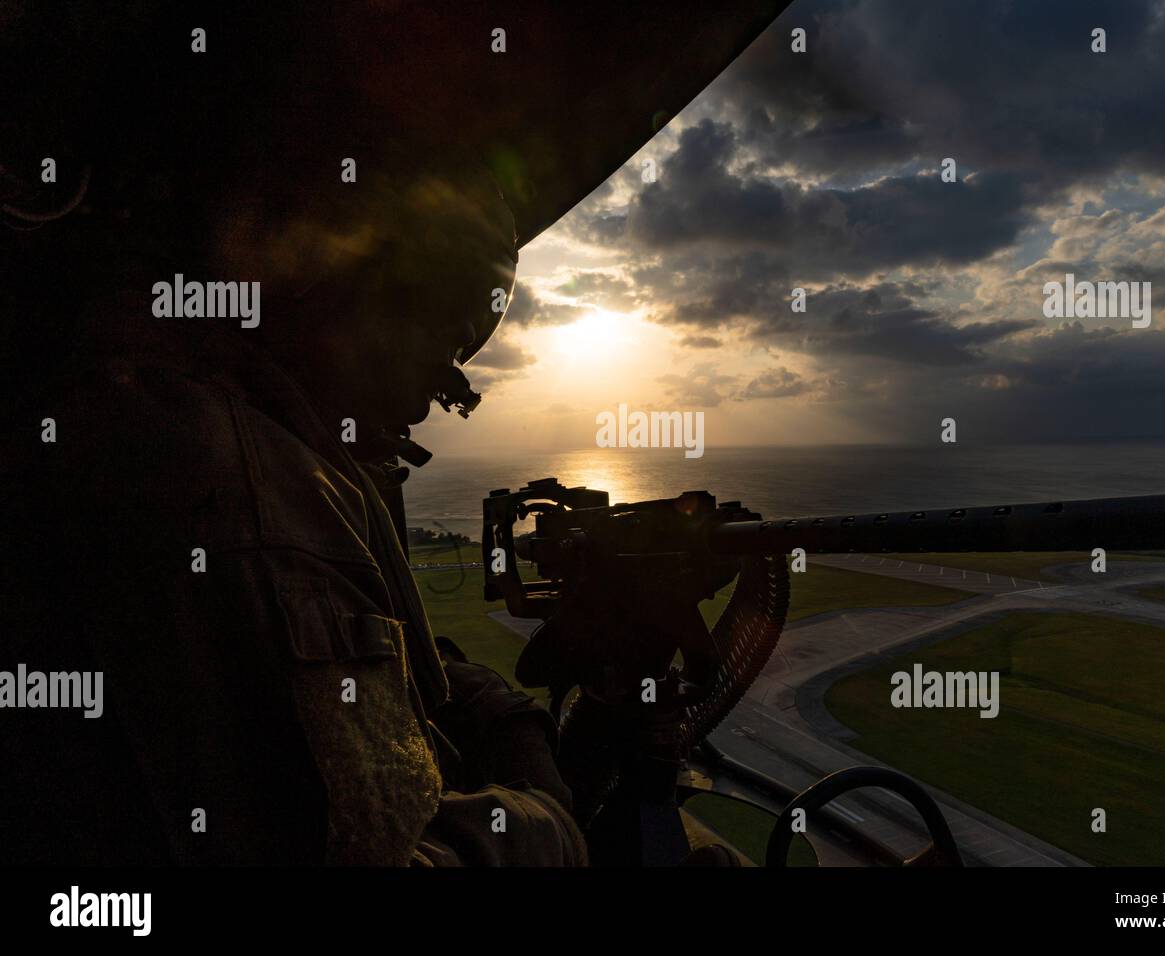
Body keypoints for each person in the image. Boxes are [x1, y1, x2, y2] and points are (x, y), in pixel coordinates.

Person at [1, 0, 786, 866]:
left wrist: (497, 711)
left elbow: (372, 675)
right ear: (353, 293)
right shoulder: (243, 490)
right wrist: (547, 826)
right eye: (441, 341)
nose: (441, 393)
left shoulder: (230, 439)